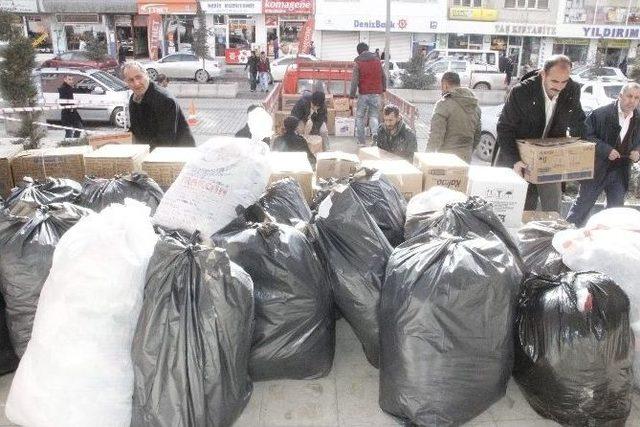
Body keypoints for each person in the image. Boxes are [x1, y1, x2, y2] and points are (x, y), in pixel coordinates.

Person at [493, 54, 586, 212]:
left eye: (564, 81)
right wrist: (515, 160)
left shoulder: (572, 89)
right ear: (543, 74)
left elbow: (578, 121)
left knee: (553, 207)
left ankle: (552, 234)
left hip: (550, 158)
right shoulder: (521, 91)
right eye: (554, 81)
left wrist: (579, 152)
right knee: (522, 206)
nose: (559, 87)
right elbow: (504, 128)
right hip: (519, 156)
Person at [566, 82, 640, 225]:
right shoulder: (600, 113)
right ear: (620, 96)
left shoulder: (638, 117)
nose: (632, 101)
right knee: (581, 208)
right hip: (597, 168)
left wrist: (637, 151)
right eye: (629, 96)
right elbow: (585, 136)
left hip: (621, 171)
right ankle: (564, 238)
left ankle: (605, 243)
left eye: (637, 98)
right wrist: (606, 150)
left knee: (615, 212)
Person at [123, 62, 195, 149]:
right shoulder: (134, 98)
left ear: (146, 75)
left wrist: (141, 153)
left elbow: (165, 140)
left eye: (138, 77)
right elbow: (136, 129)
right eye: (131, 80)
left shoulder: (165, 99)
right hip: (153, 150)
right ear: (126, 82)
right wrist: (120, 139)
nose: (136, 83)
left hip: (178, 153)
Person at [427, 71, 481, 163]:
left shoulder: (443, 105)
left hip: (446, 160)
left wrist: (426, 157)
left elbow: (436, 137)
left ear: (445, 85)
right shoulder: (475, 106)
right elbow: (477, 135)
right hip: (466, 158)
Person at [350, 42, 386, 146]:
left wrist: (351, 96)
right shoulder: (377, 61)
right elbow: (383, 77)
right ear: (367, 49)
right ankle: (375, 138)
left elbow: (354, 81)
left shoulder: (358, 62)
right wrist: (383, 91)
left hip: (363, 94)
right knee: (374, 116)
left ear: (358, 51)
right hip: (375, 93)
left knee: (360, 117)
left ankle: (361, 142)